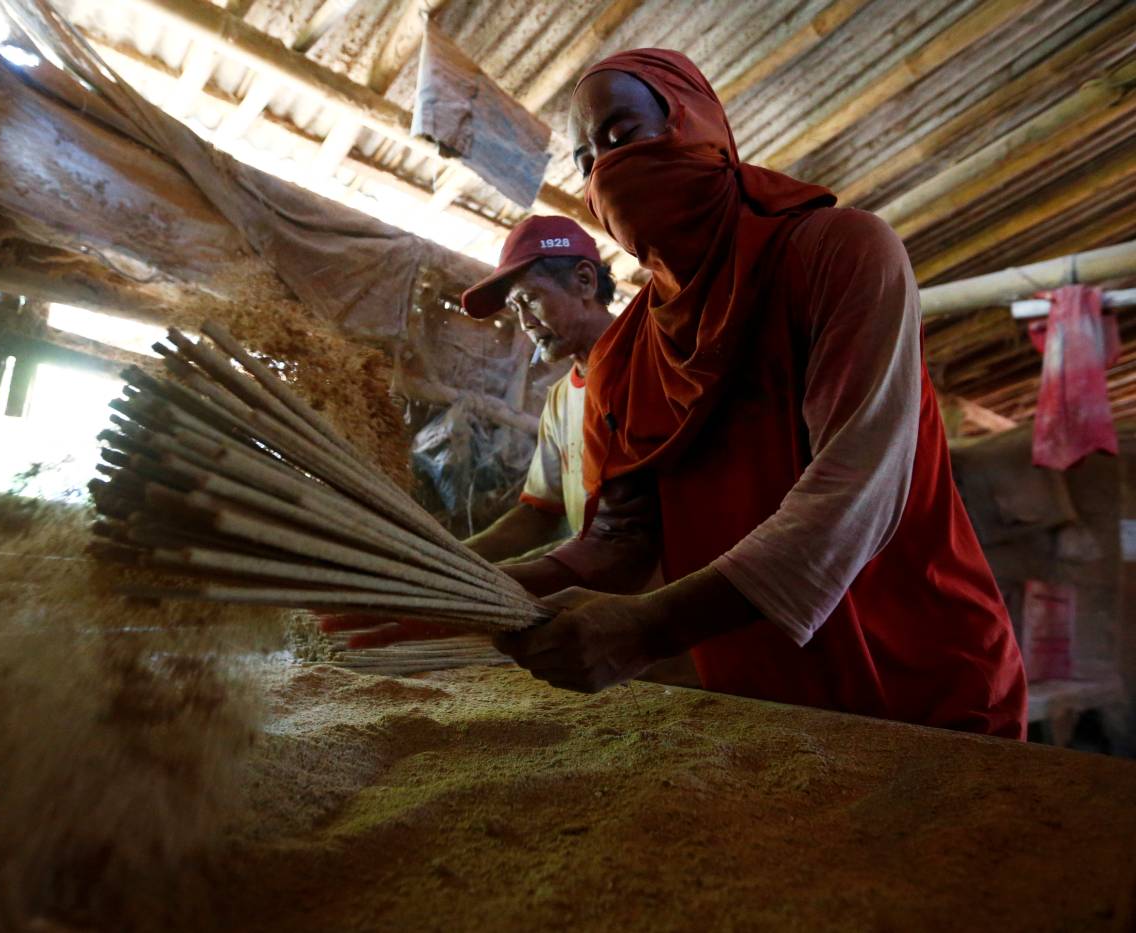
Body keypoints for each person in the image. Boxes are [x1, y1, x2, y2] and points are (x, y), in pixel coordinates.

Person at [334, 49, 1027, 739]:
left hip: (928, 692)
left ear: (697, 124)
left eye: (620, 136)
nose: (604, 170)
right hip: (769, 714)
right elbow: (619, 544)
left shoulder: (840, 255)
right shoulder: (627, 357)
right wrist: (457, 594)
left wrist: (651, 626)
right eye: (585, 161)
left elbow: (854, 495)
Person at [458, 215, 617, 562]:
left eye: (529, 299)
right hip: (595, 592)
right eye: (516, 308)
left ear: (585, 282)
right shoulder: (561, 399)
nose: (525, 323)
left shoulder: (655, 361)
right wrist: (451, 560)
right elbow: (541, 512)